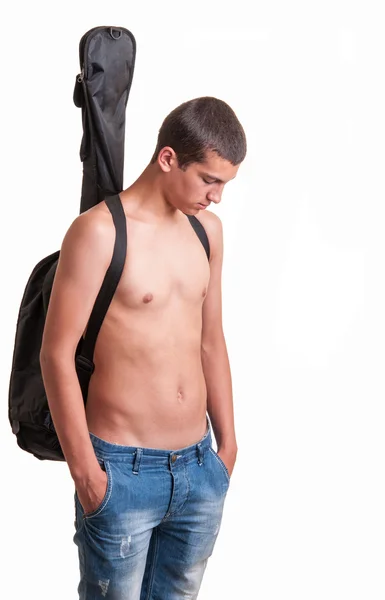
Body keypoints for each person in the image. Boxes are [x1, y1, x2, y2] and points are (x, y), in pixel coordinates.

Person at [40, 96, 247, 599]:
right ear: (169, 158)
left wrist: (228, 447)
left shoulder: (207, 232)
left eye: (225, 184)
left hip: (200, 468)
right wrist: (87, 474)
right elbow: (56, 354)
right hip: (121, 473)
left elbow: (211, 340)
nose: (217, 196)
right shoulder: (99, 232)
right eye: (209, 179)